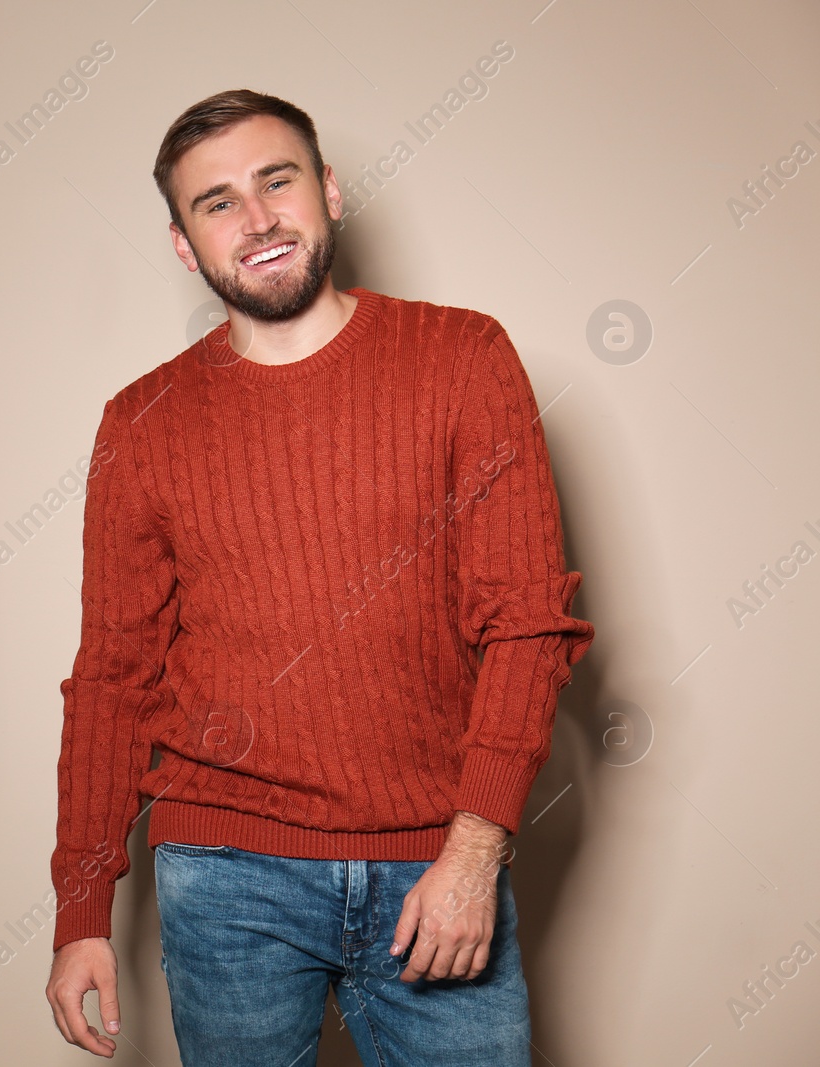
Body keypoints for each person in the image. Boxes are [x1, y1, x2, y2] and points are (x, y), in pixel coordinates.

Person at [43, 89, 595, 1066]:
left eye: (275, 181)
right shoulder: (142, 424)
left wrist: (473, 849)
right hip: (224, 876)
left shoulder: (463, 358)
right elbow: (113, 676)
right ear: (184, 245)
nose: (254, 219)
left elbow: (526, 625)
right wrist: (81, 906)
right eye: (215, 203)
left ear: (329, 192)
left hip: (437, 856)